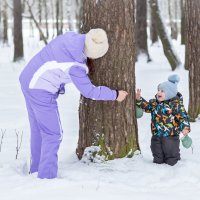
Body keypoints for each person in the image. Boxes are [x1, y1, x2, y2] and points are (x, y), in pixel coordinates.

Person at [19, 28, 128, 179]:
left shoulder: (71, 38)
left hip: (27, 78)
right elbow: (89, 92)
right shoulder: (76, 66)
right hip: (40, 89)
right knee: (53, 134)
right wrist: (115, 94)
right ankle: (46, 177)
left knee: (39, 130)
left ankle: (37, 169)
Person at [136, 74, 190, 166]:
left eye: (162, 91)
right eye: (158, 90)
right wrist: (139, 99)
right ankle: (158, 167)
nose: (159, 92)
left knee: (171, 155)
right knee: (157, 154)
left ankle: (173, 168)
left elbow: (183, 117)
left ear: (169, 93)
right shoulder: (155, 103)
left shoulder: (175, 105)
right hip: (156, 135)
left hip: (171, 136)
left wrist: (185, 128)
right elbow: (147, 107)